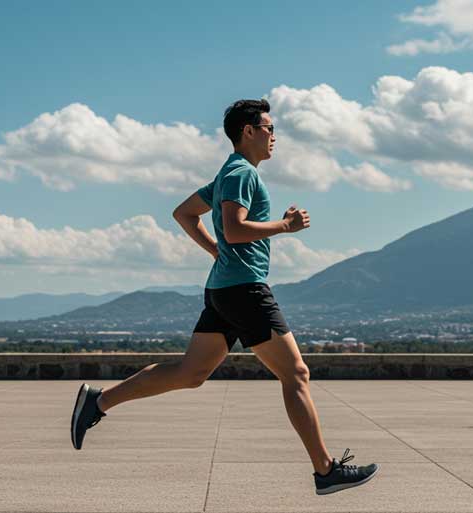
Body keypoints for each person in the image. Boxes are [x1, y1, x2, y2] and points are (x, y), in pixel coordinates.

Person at [71, 99, 379, 495]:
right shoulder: (240, 173)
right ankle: (325, 471)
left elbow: (184, 213)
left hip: (223, 287)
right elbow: (233, 229)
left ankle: (97, 402)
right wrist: (284, 226)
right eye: (268, 128)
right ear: (247, 131)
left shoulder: (226, 174)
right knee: (296, 374)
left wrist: (216, 252)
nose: (274, 136)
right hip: (244, 289)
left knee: (190, 373)